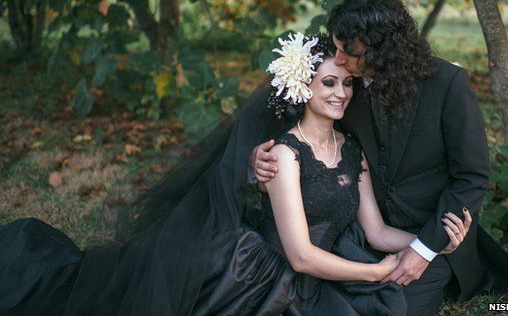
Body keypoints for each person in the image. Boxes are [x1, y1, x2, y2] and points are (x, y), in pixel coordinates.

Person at [0, 33, 469, 316]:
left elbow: (377, 229)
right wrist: (374, 274)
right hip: (263, 274)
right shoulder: (283, 154)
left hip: (325, 268)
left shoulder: (351, 150)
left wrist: (429, 241)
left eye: (346, 83)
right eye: (328, 82)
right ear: (302, 87)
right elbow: (301, 256)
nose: (342, 93)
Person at [252, 0, 508, 315]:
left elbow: (472, 176)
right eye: (337, 49)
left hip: (428, 233)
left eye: (349, 52)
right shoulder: (345, 87)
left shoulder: (447, 84)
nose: (339, 61)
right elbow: (300, 133)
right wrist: (259, 164)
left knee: (396, 308)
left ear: (382, 50)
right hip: (364, 234)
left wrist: (428, 247)